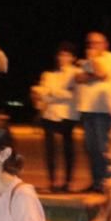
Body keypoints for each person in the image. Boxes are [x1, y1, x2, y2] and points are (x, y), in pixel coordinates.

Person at [76, 31, 111, 193]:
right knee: (91, 147)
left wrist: (93, 61)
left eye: (97, 42)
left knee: (103, 148)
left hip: (103, 110)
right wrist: (91, 74)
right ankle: (96, 182)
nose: (93, 46)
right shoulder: (86, 60)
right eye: (90, 43)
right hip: (87, 109)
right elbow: (79, 78)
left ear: (106, 44)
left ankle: (106, 183)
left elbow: (102, 73)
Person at [31, 43, 80, 193]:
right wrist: (57, 93)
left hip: (68, 115)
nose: (63, 58)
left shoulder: (77, 73)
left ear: (73, 57)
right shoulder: (48, 74)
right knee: (50, 150)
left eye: (67, 55)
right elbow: (42, 95)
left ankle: (67, 182)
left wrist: (50, 93)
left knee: (68, 149)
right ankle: (52, 181)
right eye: (61, 54)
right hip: (49, 114)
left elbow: (73, 95)